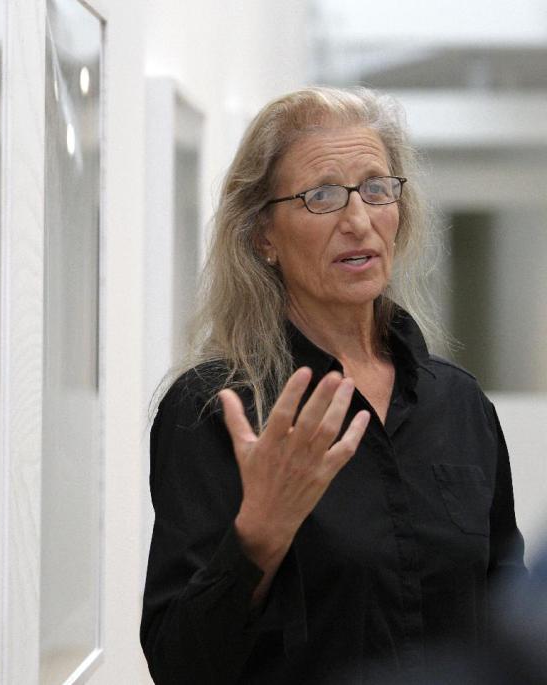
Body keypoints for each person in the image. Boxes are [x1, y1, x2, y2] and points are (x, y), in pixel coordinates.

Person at [140, 87, 526, 684]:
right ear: (262, 235)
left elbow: (510, 618)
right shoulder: (214, 410)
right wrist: (259, 538)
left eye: (376, 189)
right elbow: (179, 664)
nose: (358, 220)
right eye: (321, 196)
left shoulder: (460, 404)